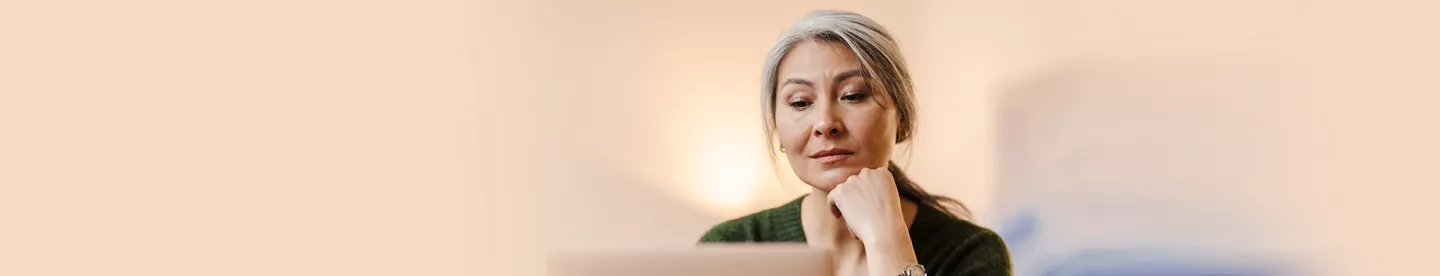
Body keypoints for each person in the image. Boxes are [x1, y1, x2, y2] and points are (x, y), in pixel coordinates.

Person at [698, 10, 1012, 276]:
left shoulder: (970, 254)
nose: (825, 123)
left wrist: (887, 242)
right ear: (777, 128)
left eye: (853, 96)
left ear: (901, 118)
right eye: (800, 102)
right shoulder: (731, 249)